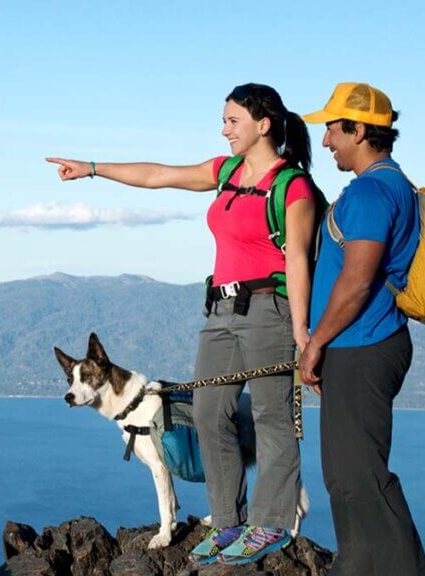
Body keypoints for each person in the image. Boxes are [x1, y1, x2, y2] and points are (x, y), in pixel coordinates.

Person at [46, 83, 319, 566]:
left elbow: (297, 259)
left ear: (263, 124)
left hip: (268, 309)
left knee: (272, 416)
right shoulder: (227, 171)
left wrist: (302, 333)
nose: (224, 129)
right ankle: (227, 520)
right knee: (210, 411)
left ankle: (271, 524)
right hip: (219, 311)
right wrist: (92, 169)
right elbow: (157, 175)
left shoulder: (291, 185)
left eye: (232, 121)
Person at [298, 82, 425, 576]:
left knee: (364, 476)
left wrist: (314, 344)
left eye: (333, 129)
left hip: (363, 346)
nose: (327, 140)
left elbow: (356, 284)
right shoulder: (387, 185)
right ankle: (354, 566)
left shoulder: (374, 192)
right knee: (343, 475)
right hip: (360, 346)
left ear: (357, 130)